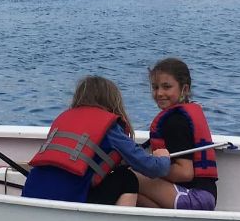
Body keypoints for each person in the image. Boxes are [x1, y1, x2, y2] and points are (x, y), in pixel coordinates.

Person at [22, 75, 171, 206]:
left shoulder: (64, 119)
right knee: (127, 178)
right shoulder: (111, 128)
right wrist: (163, 158)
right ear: (112, 101)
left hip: (31, 193)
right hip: (70, 200)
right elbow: (154, 169)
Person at [136, 58, 218, 211]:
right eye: (155, 87)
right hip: (205, 196)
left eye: (166, 87)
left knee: (128, 176)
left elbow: (185, 173)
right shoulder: (182, 116)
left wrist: (149, 165)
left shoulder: (175, 122)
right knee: (134, 194)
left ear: (184, 89)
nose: (159, 93)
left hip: (194, 198)